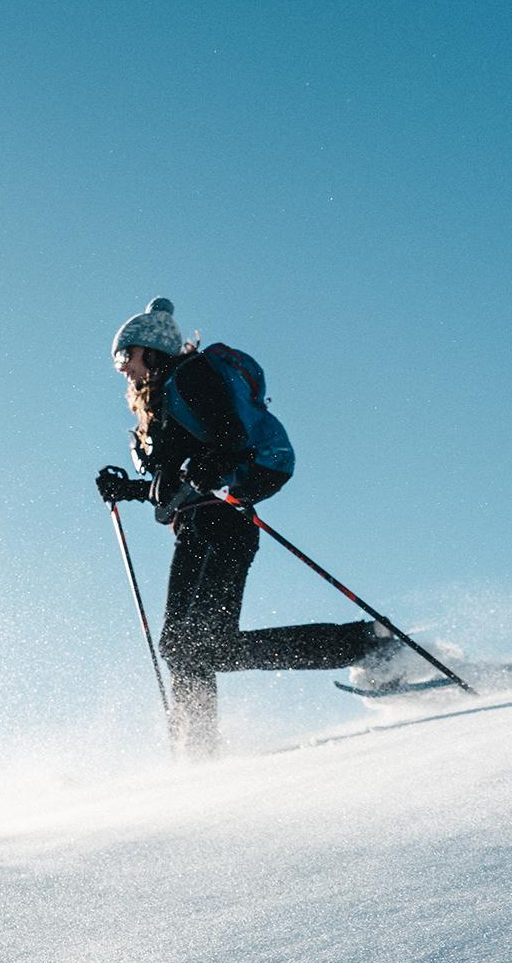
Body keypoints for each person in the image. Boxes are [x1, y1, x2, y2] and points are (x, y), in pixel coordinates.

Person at [95, 298, 393, 758]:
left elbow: (229, 437)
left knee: (206, 648)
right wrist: (128, 491)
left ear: (151, 349)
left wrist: (205, 469)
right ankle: (198, 749)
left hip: (224, 526)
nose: (121, 368)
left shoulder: (191, 376)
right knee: (181, 647)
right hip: (195, 528)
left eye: (125, 356)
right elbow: (176, 483)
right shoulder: (162, 399)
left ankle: (366, 643)